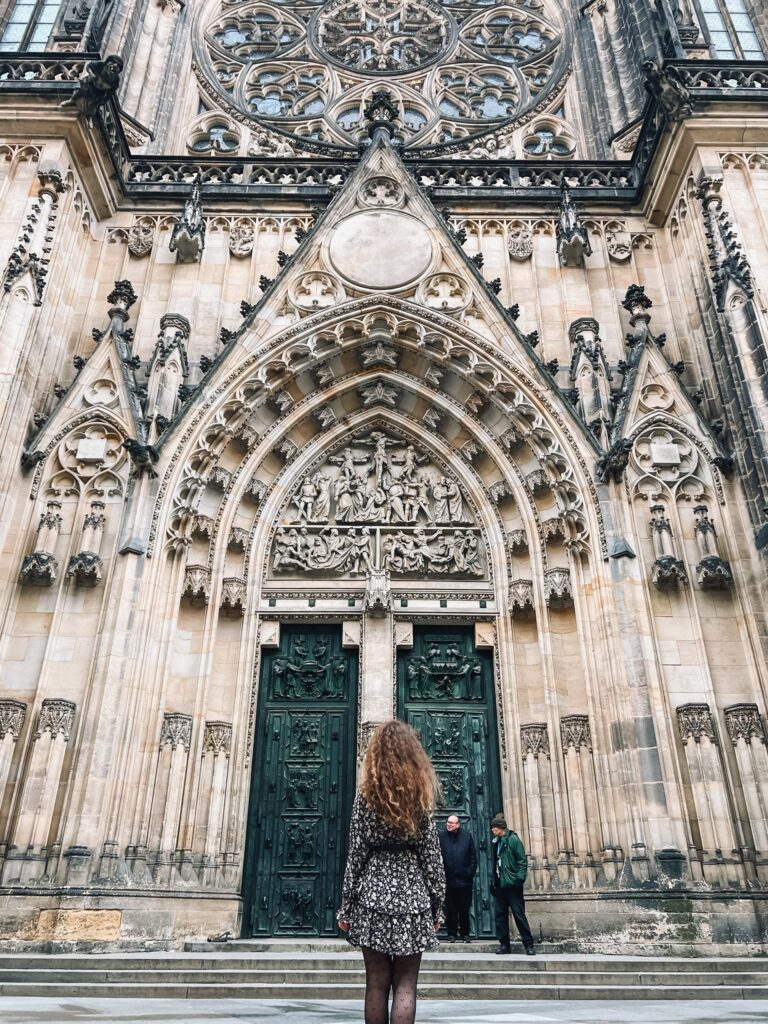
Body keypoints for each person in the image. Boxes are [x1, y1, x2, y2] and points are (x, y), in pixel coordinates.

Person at [338, 720, 445, 1024]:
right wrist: (438, 908)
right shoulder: (419, 798)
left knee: (375, 983)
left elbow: (356, 855)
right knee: (406, 984)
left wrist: (346, 908)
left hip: (372, 893)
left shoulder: (365, 798)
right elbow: (432, 858)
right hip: (413, 894)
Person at [490, 812, 535, 955]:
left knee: (519, 915)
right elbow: (496, 863)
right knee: (500, 916)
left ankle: (528, 945)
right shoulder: (496, 842)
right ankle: (504, 945)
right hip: (500, 885)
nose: (492, 830)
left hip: (512, 886)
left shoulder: (514, 840)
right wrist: (494, 881)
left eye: (494, 828)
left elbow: (522, 861)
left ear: (500, 828)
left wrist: (519, 880)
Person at [438, 814, 477, 943]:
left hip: (464, 881)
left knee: (464, 909)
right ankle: (452, 934)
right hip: (448, 880)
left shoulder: (466, 836)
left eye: (452, 823)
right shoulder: (441, 837)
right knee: (451, 909)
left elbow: (473, 856)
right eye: (448, 822)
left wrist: (469, 872)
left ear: (458, 824)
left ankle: (465, 934)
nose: (449, 824)